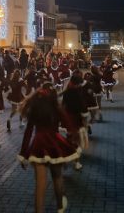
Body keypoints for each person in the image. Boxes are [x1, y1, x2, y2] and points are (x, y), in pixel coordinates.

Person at [18, 84, 81, 213]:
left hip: (38, 145)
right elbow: (70, 127)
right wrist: (71, 142)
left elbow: (28, 133)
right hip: (55, 144)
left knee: (40, 186)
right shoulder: (56, 108)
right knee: (57, 178)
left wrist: (23, 154)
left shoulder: (34, 109)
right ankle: (60, 206)